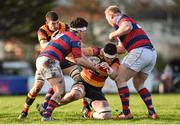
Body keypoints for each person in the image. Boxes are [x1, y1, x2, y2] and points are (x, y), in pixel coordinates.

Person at [18, 11, 81, 119]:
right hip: (47, 59)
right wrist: (54, 40)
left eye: (57, 23)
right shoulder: (42, 30)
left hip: (62, 58)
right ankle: (25, 110)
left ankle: (85, 107)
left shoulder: (64, 26)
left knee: (79, 76)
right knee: (37, 87)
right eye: (53, 24)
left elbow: (72, 40)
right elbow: (43, 46)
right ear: (47, 23)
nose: (56, 26)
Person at [37, 43, 120, 119]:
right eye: (107, 58)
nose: (109, 60)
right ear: (103, 52)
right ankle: (48, 107)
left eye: (111, 58)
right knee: (75, 94)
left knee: (106, 115)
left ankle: (87, 113)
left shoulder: (115, 61)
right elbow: (77, 52)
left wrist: (109, 69)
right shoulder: (95, 51)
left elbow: (114, 76)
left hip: (96, 90)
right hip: (82, 81)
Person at [104, 5, 158, 119]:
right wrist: (106, 51)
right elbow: (122, 49)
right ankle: (152, 112)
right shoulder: (119, 29)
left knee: (120, 79)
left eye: (107, 18)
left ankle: (126, 113)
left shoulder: (120, 18)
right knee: (138, 84)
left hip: (140, 51)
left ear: (111, 15)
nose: (108, 21)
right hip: (151, 54)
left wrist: (112, 34)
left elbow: (127, 27)